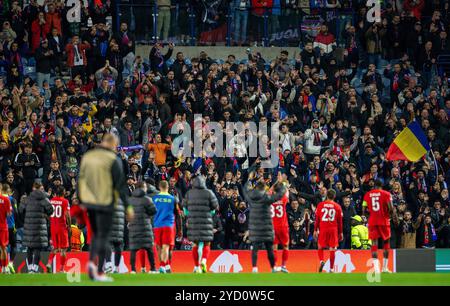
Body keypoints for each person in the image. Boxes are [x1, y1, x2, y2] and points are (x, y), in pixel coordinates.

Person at [78, 133, 132, 282]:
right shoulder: (113, 159)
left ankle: (91, 264)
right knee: (104, 236)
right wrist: (128, 207)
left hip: (90, 203)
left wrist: (81, 201)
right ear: (113, 144)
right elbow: (120, 186)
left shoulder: (88, 157)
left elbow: (80, 180)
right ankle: (100, 271)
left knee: (96, 235)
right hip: (105, 202)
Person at [244, 171, 286, 273]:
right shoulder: (267, 198)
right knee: (269, 249)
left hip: (255, 227)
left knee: (255, 248)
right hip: (267, 227)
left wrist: (249, 179)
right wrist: (281, 185)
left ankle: (254, 268)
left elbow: (245, 189)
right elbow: (279, 195)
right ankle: (273, 268)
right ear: (264, 189)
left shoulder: (251, 198)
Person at [183, 175, 219, 273]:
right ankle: (203, 261)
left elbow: (185, 210)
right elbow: (215, 208)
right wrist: (209, 212)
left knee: (195, 244)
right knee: (207, 243)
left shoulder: (189, 193)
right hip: (206, 222)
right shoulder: (209, 193)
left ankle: (196, 267)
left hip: (193, 222)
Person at [362, 180, 396, 274]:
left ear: (374, 186)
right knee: (386, 243)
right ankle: (384, 268)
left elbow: (364, 210)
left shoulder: (367, 195)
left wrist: (370, 216)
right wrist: (389, 216)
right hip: (384, 221)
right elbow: (391, 208)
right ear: (382, 185)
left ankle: (376, 269)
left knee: (374, 244)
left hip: (372, 222)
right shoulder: (386, 194)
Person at [19, 182, 53, 274]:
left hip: (28, 226)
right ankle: (34, 268)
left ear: (33, 188)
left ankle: (30, 268)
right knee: (37, 248)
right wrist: (45, 214)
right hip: (40, 226)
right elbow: (51, 210)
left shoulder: (27, 199)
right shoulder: (44, 199)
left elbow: (20, 210)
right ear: (40, 188)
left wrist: (26, 219)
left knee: (29, 248)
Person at [128, 182, 157, 274]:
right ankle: (152, 269)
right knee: (149, 249)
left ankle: (132, 269)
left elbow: (127, 213)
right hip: (145, 227)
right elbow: (153, 211)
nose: (146, 188)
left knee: (133, 249)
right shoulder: (147, 199)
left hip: (133, 226)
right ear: (142, 188)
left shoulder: (130, 200)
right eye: (145, 187)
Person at [314, 189, 343, 273]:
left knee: (320, 246)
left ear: (327, 195)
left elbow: (317, 219)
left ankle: (321, 261)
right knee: (332, 249)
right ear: (334, 196)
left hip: (323, 228)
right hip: (333, 229)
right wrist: (341, 232)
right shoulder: (337, 206)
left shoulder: (320, 205)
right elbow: (340, 222)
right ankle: (331, 269)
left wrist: (315, 230)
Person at [152, 180, 178, 273]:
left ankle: (163, 266)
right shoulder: (173, 199)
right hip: (168, 225)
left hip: (157, 225)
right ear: (168, 187)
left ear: (159, 187)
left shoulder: (154, 198)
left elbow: (151, 212)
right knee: (166, 246)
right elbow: (177, 213)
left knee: (158, 246)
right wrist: (179, 230)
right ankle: (164, 266)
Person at [46, 186, 71, 273]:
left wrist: (51, 221)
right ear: (63, 192)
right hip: (62, 227)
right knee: (63, 249)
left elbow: (47, 213)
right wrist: (69, 225)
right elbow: (67, 214)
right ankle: (62, 269)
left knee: (55, 247)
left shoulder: (51, 200)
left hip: (53, 227)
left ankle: (49, 263)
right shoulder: (65, 201)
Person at [271, 185, 290, 273]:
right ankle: (283, 266)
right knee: (286, 246)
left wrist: (274, 185)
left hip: (272, 227)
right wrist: (285, 185)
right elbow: (287, 193)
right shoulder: (283, 199)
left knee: (274, 247)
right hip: (283, 227)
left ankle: (274, 267)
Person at [105, 199, 125, 274]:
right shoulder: (121, 201)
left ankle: (109, 264)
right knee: (118, 245)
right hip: (119, 225)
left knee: (107, 243)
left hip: (110, 225)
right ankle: (116, 267)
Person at [0, 184, 12, 274]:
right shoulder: (6, 199)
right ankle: (5, 268)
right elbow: (9, 214)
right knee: (3, 248)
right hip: (3, 226)